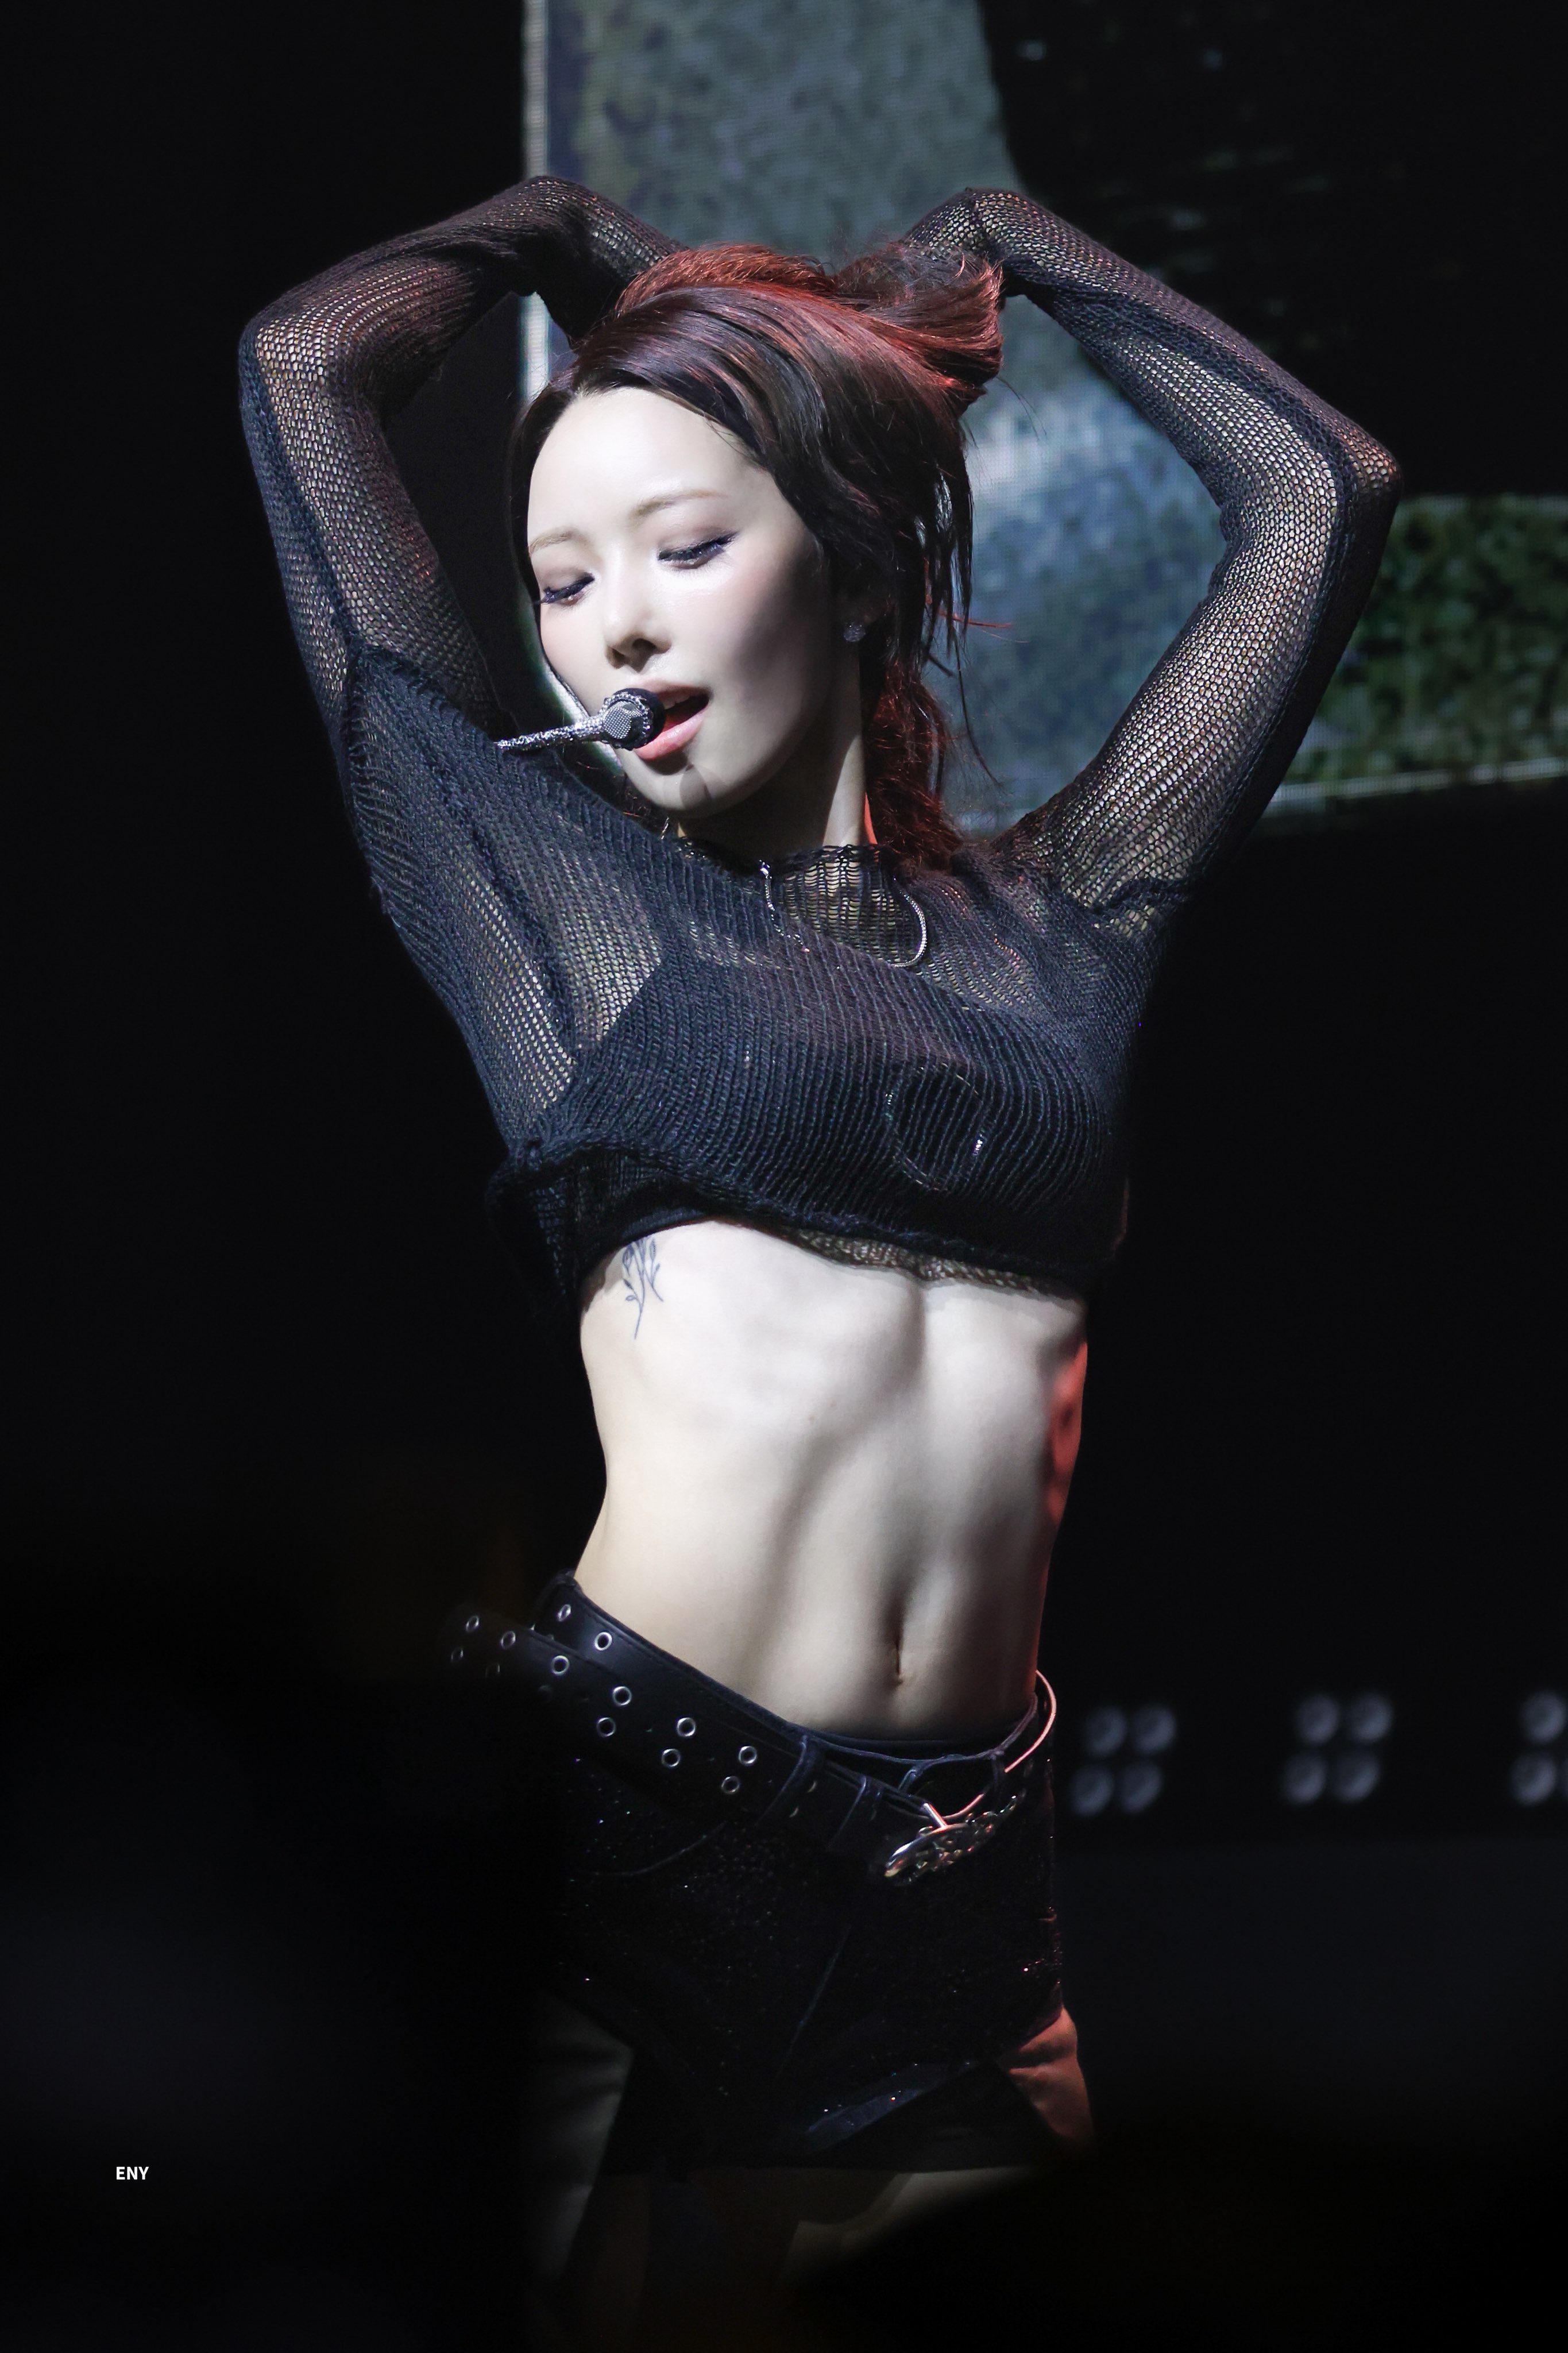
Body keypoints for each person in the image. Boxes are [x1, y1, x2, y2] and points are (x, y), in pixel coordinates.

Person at [241, 176, 1398, 2339]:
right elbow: (303, 367)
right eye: (560, 580)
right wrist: (560, 236)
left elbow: (1316, 491)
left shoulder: (1073, 927)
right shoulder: (556, 913)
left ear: (854, 564)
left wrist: (1012, 239)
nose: (615, 630)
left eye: (685, 547)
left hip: (950, 1892)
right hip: (613, 1838)